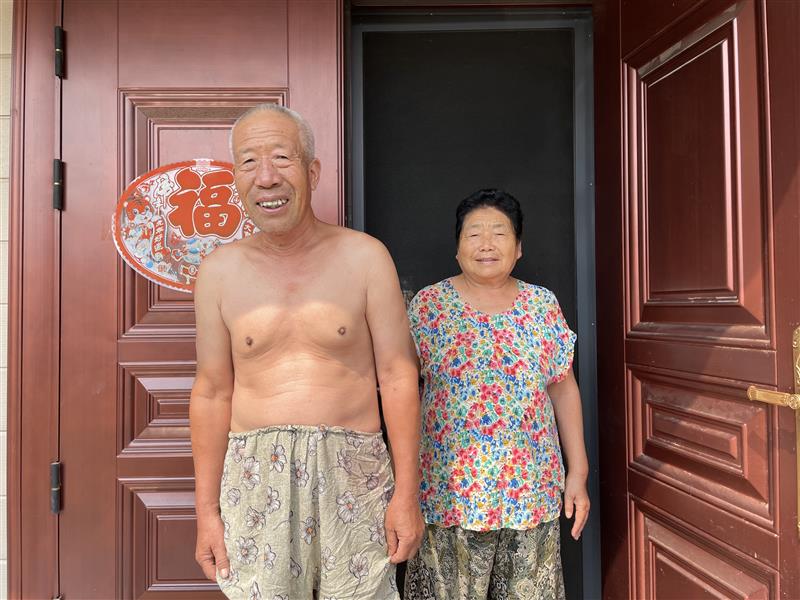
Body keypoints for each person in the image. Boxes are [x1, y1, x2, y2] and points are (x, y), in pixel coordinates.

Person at [190, 103, 424, 600]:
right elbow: (211, 392)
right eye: (249, 162)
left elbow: (398, 375)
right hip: (255, 475)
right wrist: (206, 512)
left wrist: (407, 493)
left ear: (313, 171)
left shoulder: (365, 257)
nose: (266, 177)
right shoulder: (219, 272)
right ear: (236, 178)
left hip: (353, 472)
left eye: (282, 157)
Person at [404, 189, 590, 600]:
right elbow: (402, 390)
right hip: (448, 492)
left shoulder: (542, 305)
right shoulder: (429, 305)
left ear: (518, 247)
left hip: (530, 491)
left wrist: (577, 471)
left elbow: (563, 387)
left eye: (500, 233)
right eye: (474, 234)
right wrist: (404, 482)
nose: (486, 244)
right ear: (457, 248)